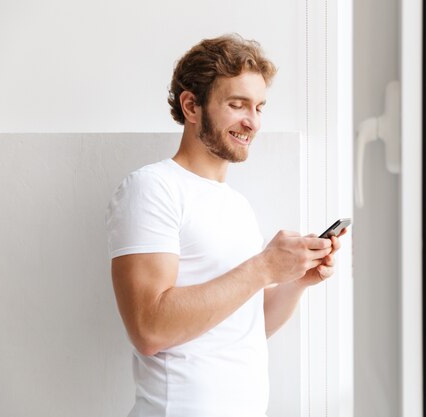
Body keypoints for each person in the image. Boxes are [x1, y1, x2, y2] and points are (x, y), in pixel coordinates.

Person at [105, 34, 346, 417]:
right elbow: (148, 329)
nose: (252, 122)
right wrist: (264, 266)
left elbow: (245, 326)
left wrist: (296, 280)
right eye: (237, 105)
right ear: (191, 106)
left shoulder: (236, 204)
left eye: (259, 107)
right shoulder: (151, 188)